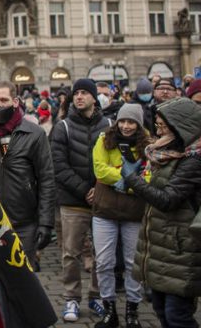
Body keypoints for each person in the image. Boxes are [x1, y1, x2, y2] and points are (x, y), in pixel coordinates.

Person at [122, 98, 201, 328]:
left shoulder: (193, 159)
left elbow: (168, 199)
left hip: (181, 248)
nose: (158, 131)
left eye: (163, 126)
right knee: (162, 311)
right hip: (159, 243)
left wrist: (132, 180)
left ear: (180, 126)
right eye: (157, 125)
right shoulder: (165, 152)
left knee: (177, 316)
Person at [0, 81, 56, 272]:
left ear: (15, 101)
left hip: (24, 222)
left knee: (25, 279)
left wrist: (46, 223)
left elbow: (47, 179)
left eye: (3, 100)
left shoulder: (35, 134)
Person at [51, 78, 112, 322]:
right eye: (76, 93)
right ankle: (71, 298)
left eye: (85, 93)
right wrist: (84, 189)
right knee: (71, 253)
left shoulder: (109, 125)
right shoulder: (63, 127)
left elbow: (114, 161)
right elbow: (59, 165)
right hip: (72, 201)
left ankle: (97, 296)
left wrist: (99, 188)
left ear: (94, 98)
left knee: (102, 253)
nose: (79, 97)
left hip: (103, 200)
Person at [91, 104, 150, 328]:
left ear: (139, 124)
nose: (126, 126)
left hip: (133, 212)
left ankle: (132, 311)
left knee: (132, 262)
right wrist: (130, 180)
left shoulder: (148, 145)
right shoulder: (104, 140)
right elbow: (99, 170)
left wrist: (125, 183)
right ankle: (109, 311)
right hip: (105, 210)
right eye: (123, 121)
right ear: (117, 122)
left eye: (131, 122)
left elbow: (149, 176)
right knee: (104, 262)